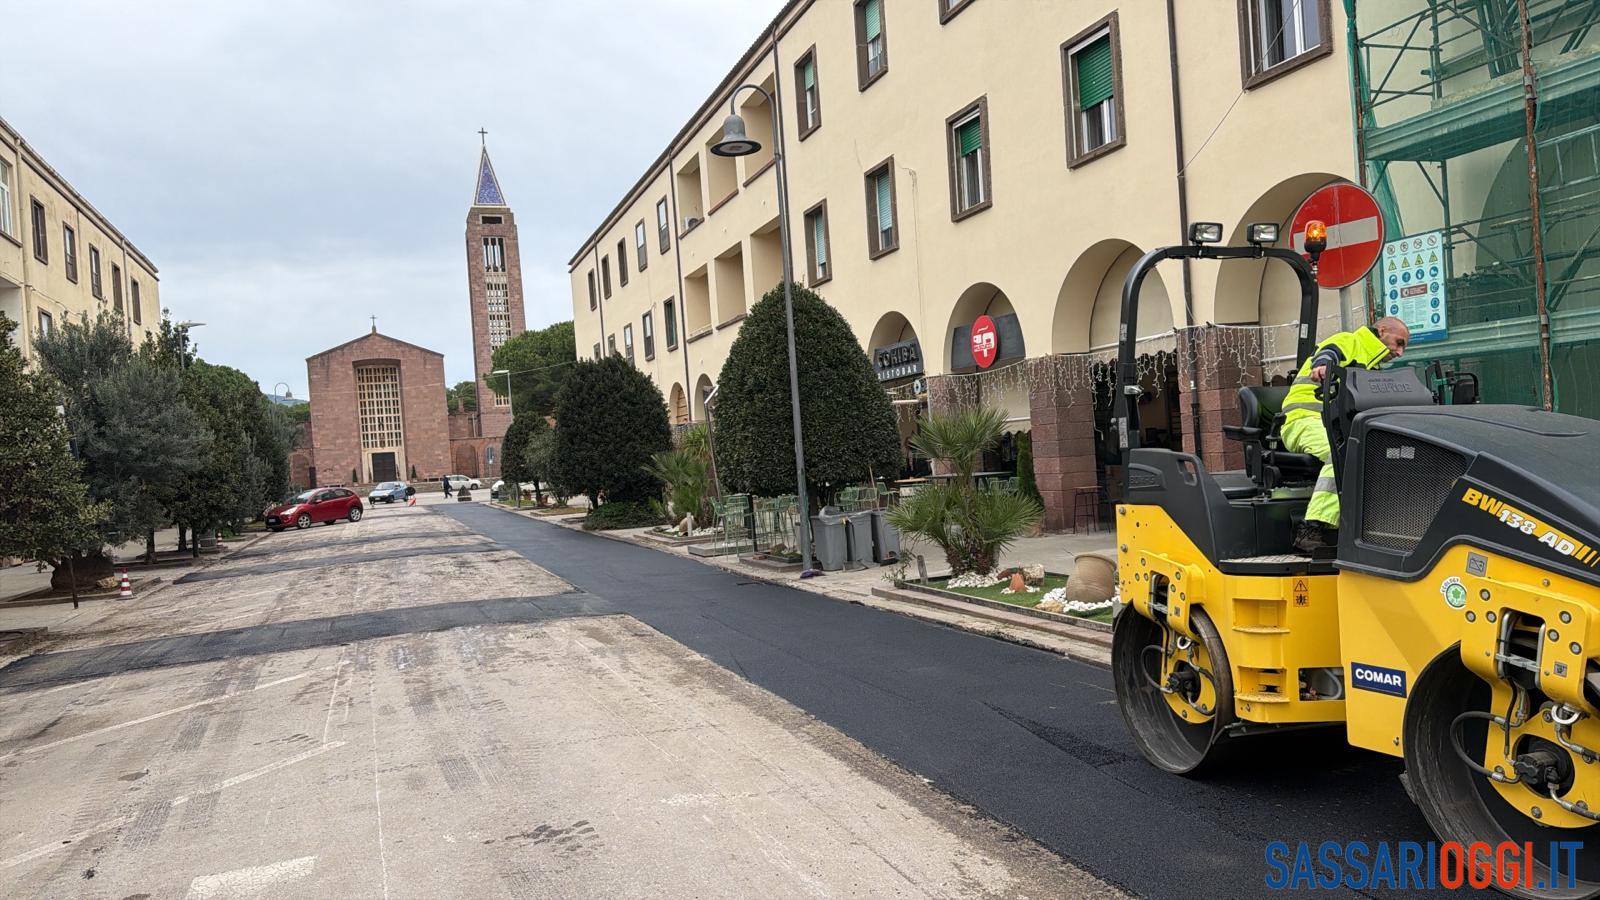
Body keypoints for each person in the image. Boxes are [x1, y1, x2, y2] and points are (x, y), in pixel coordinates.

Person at [1283, 316, 1410, 552]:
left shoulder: (1373, 367)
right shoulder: (1349, 341)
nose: (1400, 353)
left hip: (1335, 424)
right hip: (1303, 420)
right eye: (1399, 342)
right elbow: (1328, 353)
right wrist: (1322, 366)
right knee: (1342, 451)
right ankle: (1312, 527)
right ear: (1382, 331)